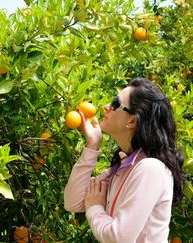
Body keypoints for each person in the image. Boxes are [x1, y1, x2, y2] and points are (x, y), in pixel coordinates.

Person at [64, 78, 185, 242]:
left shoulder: (151, 169)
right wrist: (92, 145)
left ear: (132, 121)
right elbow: (72, 202)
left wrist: (95, 208)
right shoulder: (124, 167)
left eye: (115, 103)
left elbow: (119, 237)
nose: (107, 107)